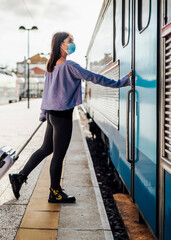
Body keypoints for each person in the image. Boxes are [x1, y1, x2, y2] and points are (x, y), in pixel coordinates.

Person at [9, 32, 131, 203]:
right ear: (61, 44)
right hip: (63, 116)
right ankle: (55, 193)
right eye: (70, 41)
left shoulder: (51, 67)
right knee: (58, 156)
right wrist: (121, 82)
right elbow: (95, 78)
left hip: (52, 115)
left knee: (46, 149)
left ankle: (19, 177)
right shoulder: (69, 66)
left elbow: (46, 94)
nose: (73, 44)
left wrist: (44, 114)